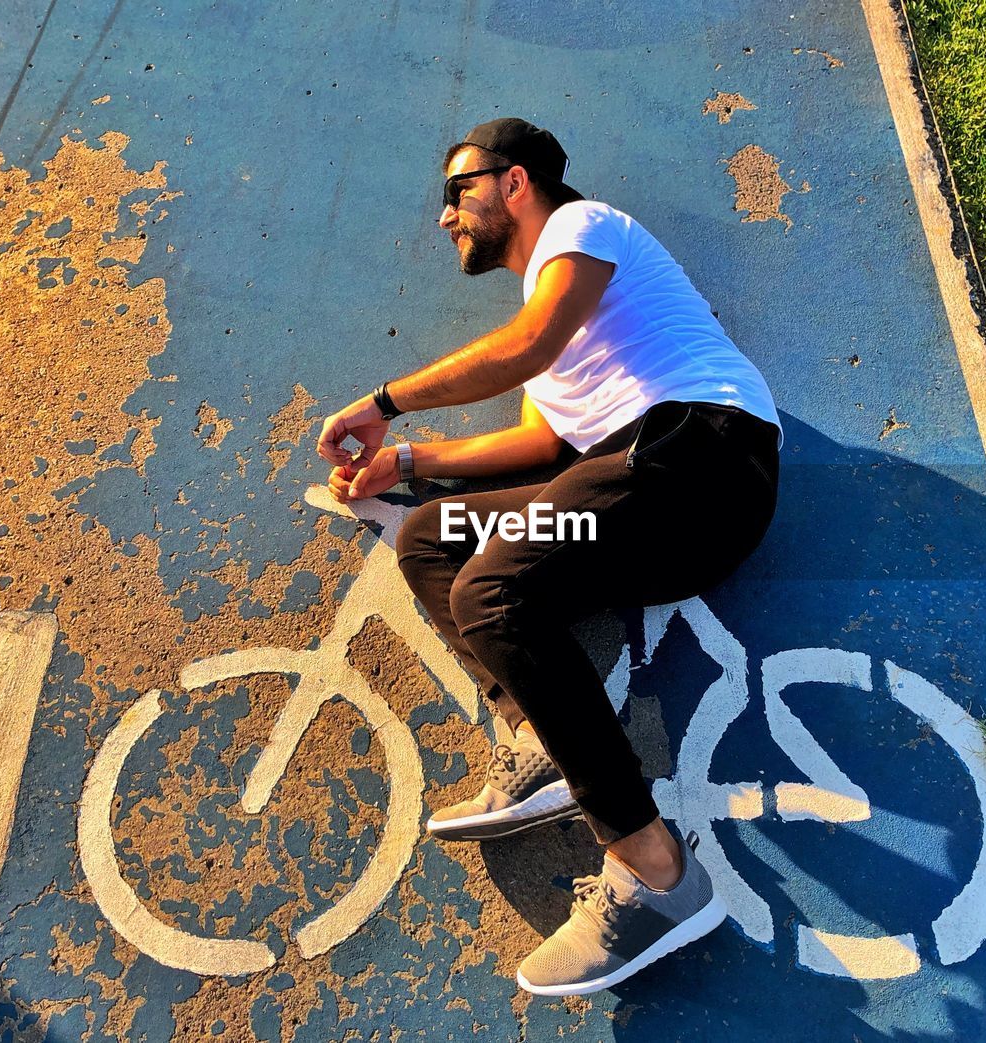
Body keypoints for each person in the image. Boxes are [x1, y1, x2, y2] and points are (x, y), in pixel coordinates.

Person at [316, 117, 782, 996]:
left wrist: (386, 403)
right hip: (631, 521)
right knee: (432, 538)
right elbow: (539, 442)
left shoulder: (583, 229)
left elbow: (528, 345)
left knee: (493, 586)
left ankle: (659, 875)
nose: (446, 218)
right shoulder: (555, 327)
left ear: (515, 182)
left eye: (457, 192)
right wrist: (408, 464)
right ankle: (540, 746)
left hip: (699, 463)